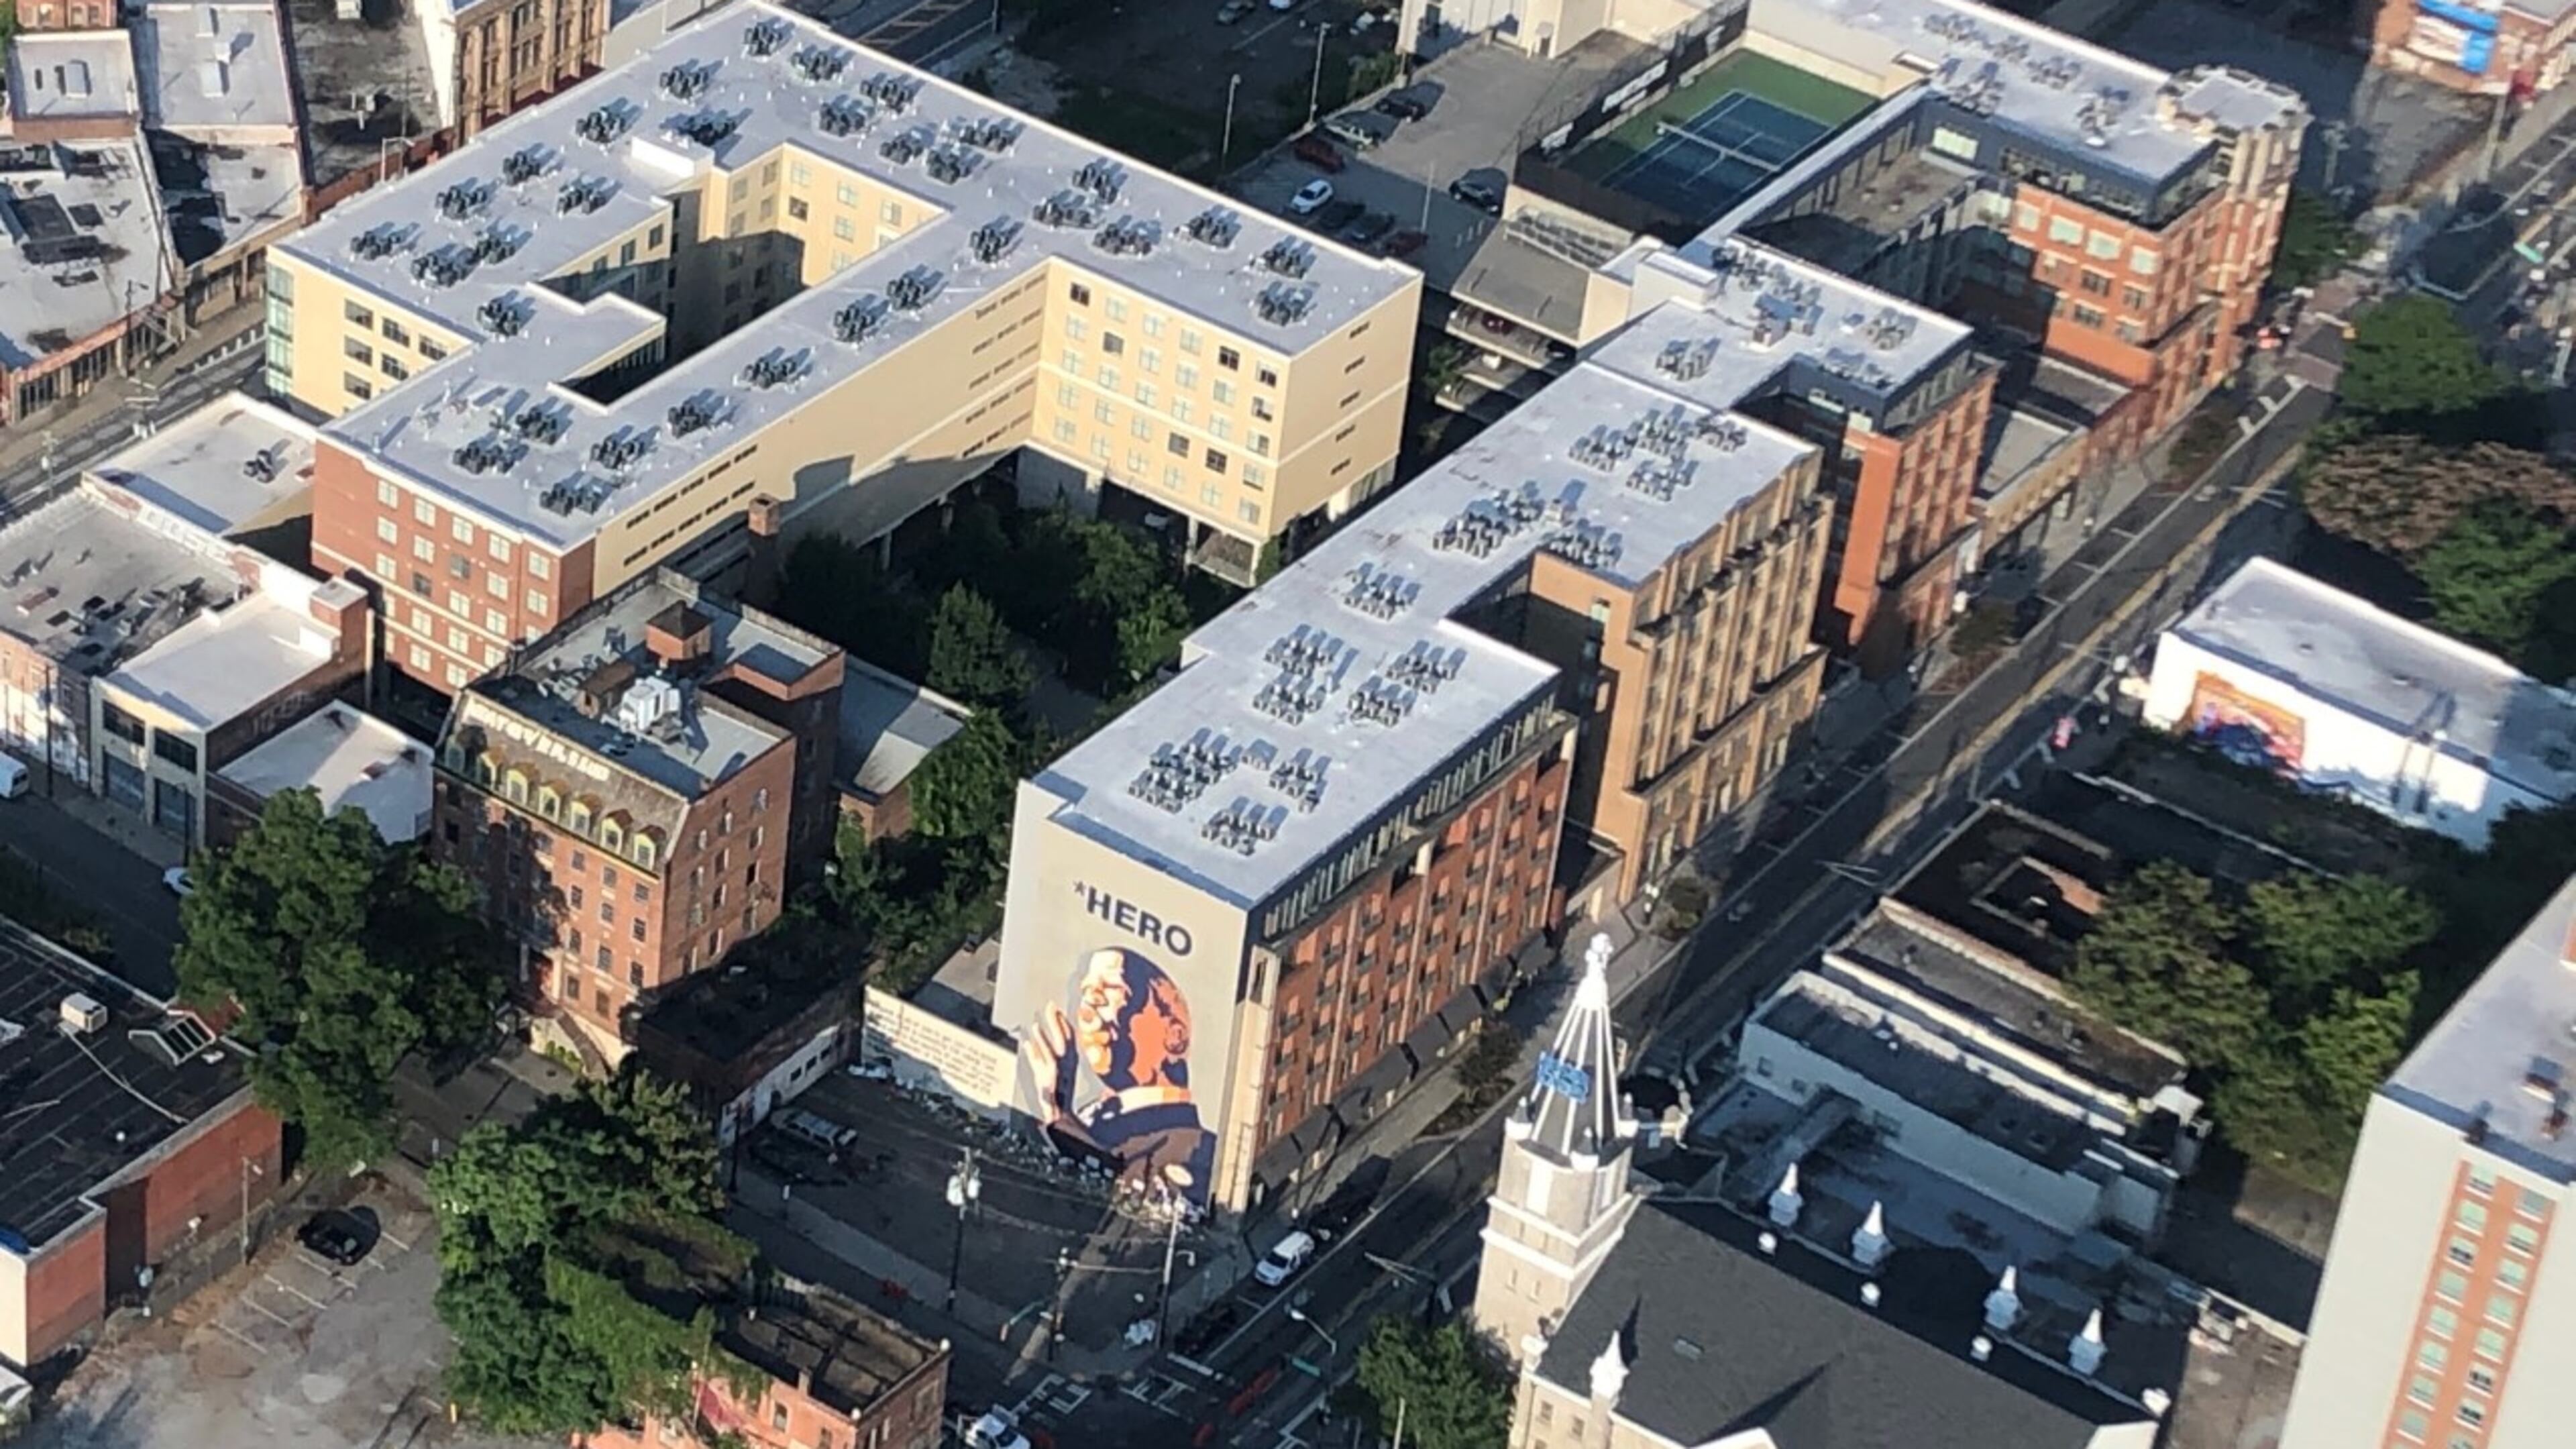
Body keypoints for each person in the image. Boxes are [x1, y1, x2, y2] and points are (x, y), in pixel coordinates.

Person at [1022, 947, 1214, 1198]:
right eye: (1086, 991)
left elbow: (1115, 1191)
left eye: (1112, 988)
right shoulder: (1090, 1111)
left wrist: (1058, 1114)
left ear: (1175, 1036)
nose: (1089, 1004)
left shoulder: (1192, 1147)